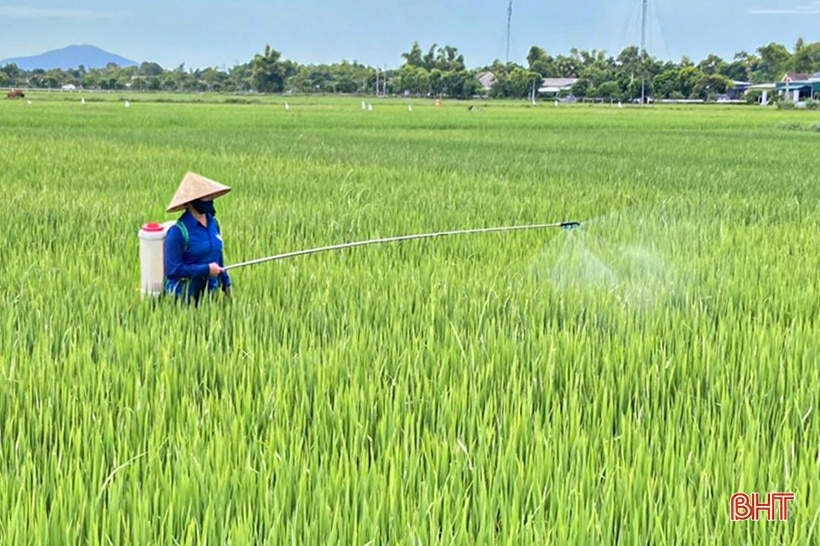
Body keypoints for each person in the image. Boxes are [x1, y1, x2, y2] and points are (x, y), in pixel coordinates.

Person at [163, 171, 233, 305]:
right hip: (183, 299)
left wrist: (226, 284)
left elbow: (218, 259)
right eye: (204, 197)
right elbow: (173, 271)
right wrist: (206, 270)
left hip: (209, 297)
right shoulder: (178, 232)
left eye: (210, 196)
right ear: (190, 203)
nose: (210, 199)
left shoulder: (214, 223)